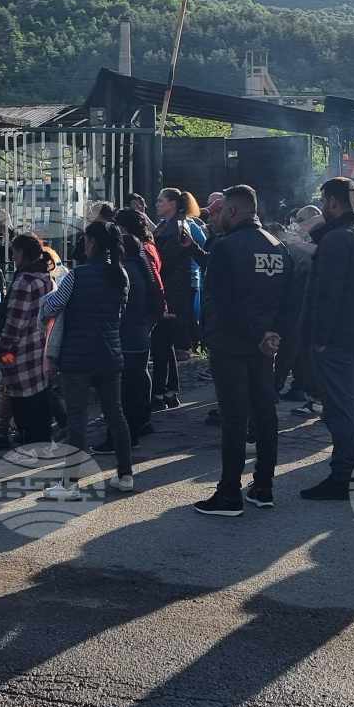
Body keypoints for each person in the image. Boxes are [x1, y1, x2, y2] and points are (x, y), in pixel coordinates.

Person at [193, 185, 289, 517]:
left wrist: (257, 333)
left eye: (220, 211)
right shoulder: (278, 246)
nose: (216, 218)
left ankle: (229, 493)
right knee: (265, 414)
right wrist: (273, 334)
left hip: (231, 344)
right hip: (265, 346)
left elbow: (223, 302)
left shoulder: (226, 247)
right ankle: (263, 486)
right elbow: (291, 299)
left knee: (234, 418)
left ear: (233, 211)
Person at [298, 177, 354, 502]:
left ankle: (343, 475)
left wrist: (319, 338)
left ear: (333, 202)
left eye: (324, 201)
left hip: (338, 336)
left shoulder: (337, 239)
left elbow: (327, 294)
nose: (322, 207)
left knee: (341, 407)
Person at [40, 220, 137, 494]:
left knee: (77, 419)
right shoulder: (121, 275)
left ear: (92, 243)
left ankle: (70, 483)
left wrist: (44, 302)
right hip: (110, 354)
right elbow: (120, 313)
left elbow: (53, 305)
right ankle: (125, 474)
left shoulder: (76, 275)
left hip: (77, 357)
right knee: (115, 414)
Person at [0, 234, 58, 452]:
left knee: (22, 406)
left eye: (14, 252)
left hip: (20, 352)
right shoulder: (46, 278)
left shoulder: (25, 282)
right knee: (40, 402)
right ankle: (42, 445)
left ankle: (31, 448)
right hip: (40, 349)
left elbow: (15, 322)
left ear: (22, 253)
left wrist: (3, 347)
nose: (13, 257)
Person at [151, 187, 207, 408]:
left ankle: (161, 392)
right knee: (164, 344)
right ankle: (169, 391)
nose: (157, 204)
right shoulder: (166, 225)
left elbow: (167, 262)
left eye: (161, 201)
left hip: (171, 292)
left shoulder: (176, 226)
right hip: (170, 290)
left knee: (161, 343)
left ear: (172, 203)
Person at [113, 208, 164, 441]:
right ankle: (142, 420)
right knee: (140, 374)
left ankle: (134, 425)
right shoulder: (144, 250)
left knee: (131, 380)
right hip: (143, 322)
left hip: (134, 325)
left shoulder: (137, 257)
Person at [276, 204, 320, 409]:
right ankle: (300, 386)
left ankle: (276, 386)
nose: (295, 224)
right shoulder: (311, 242)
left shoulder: (302, 246)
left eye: (300, 220)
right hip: (307, 302)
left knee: (291, 346)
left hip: (300, 302)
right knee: (301, 349)